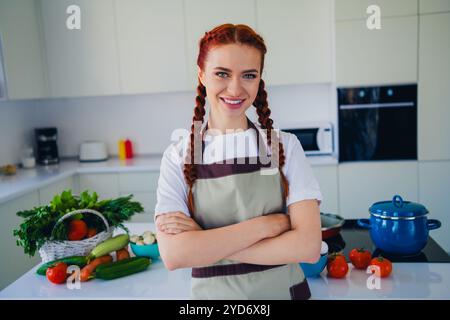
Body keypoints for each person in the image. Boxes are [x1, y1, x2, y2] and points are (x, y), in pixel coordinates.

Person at [154, 24, 323, 300]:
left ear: (259, 79)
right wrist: (264, 227)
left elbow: (307, 246)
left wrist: (205, 240)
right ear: (202, 74)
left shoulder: (285, 146)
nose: (235, 88)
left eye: (248, 75)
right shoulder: (177, 157)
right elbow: (175, 255)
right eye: (222, 73)